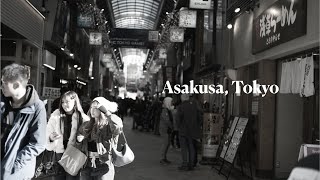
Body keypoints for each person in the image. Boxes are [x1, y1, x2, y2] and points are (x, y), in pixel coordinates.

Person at [1, 63, 47, 180]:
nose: (1, 86)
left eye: (4, 83)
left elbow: (38, 144)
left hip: (15, 173)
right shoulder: (2, 102)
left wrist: (14, 165)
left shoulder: (37, 107)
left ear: (16, 85)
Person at [46, 91, 90, 179]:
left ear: (74, 102)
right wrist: (51, 137)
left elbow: (88, 138)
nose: (64, 104)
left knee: (72, 178)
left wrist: (80, 139)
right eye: (62, 102)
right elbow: (48, 132)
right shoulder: (56, 115)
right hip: (59, 154)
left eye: (67, 102)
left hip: (74, 154)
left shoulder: (83, 118)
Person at [77, 97, 123, 180]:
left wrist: (108, 114)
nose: (92, 110)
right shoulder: (86, 125)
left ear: (102, 110)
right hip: (86, 164)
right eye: (91, 107)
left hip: (103, 164)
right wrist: (78, 141)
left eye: (95, 108)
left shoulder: (108, 126)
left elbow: (118, 128)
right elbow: (78, 144)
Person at [176, 94, 202, 171]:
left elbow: (178, 119)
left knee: (184, 148)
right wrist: (196, 126)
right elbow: (200, 118)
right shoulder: (194, 106)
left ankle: (185, 164)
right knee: (191, 147)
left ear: (182, 99)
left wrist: (179, 127)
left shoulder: (181, 106)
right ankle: (191, 164)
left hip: (183, 131)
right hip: (192, 130)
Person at [159, 97, 174, 165]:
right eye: (171, 102)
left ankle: (164, 158)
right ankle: (162, 158)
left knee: (167, 144)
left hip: (167, 129)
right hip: (164, 129)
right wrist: (172, 126)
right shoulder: (165, 110)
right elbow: (167, 120)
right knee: (165, 144)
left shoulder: (168, 110)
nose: (172, 103)